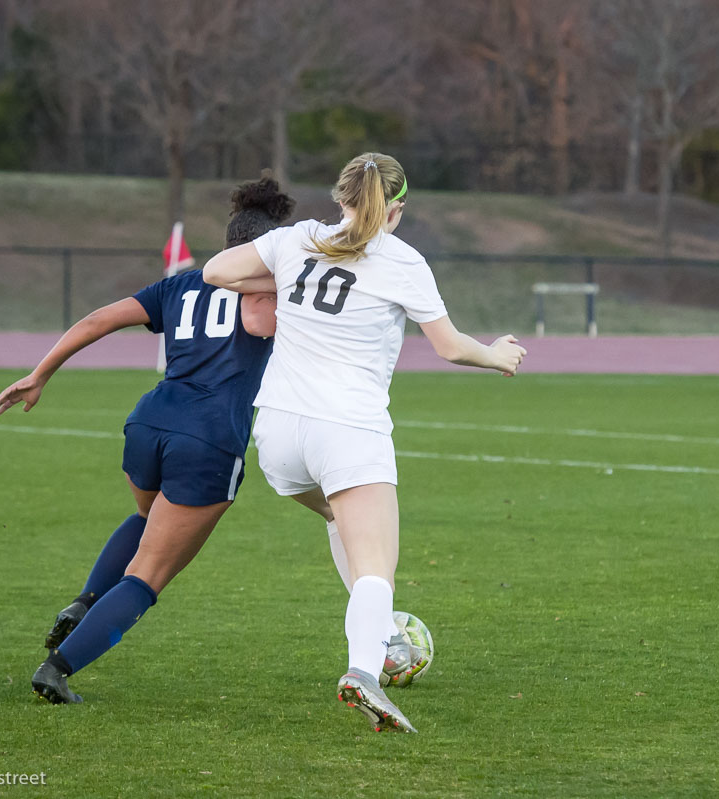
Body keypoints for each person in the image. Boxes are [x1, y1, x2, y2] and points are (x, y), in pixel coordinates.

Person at [203, 152, 526, 733]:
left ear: (340, 199)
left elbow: (215, 272)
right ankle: (364, 670)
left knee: (339, 519)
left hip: (277, 432)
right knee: (377, 566)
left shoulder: (299, 237)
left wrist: (282, 271)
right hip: (347, 429)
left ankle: (374, 627)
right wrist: (497, 356)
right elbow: (450, 347)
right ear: (396, 208)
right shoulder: (402, 260)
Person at [0, 174, 294, 703]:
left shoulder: (180, 284)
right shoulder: (271, 294)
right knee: (149, 575)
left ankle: (84, 603)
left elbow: (101, 318)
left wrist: (41, 373)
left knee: (147, 520)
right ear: (270, 248)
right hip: (209, 440)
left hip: (148, 422)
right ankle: (57, 670)